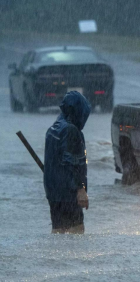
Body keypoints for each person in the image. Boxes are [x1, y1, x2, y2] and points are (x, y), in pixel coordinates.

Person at [44, 91, 91, 234]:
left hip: (53, 192)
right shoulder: (71, 131)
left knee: (58, 232)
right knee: (77, 233)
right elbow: (73, 163)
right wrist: (80, 189)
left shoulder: (54, 128)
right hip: (68, 193)